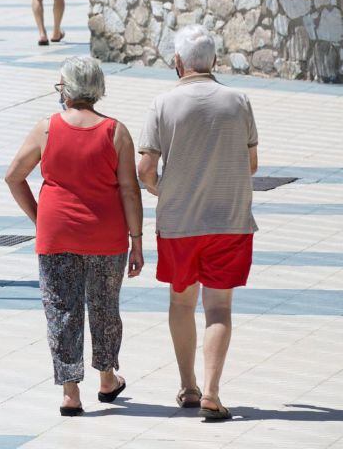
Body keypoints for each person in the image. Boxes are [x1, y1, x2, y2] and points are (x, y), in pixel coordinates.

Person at [5, 57, 144, 417]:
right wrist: (138, 241)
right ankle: (107, 378)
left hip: (57, 236)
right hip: (107, 236)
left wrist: (41, 218)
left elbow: (13, 176)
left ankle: (70, 392)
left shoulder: (46, 129)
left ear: (66, 88)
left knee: (62, 310)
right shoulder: (117, 132)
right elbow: (130, 190)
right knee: (104, 307)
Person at [137, 24, 259, 423]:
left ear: (177, 63)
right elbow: (252, 163)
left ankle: (188, 386)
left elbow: (145, 168)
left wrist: (161, 191)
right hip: (230, 222)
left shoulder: (162, 104)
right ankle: (212, 391)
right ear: (215, 63)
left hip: (179, 223)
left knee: (181, 302)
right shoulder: (238, 101)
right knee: (219, 308)